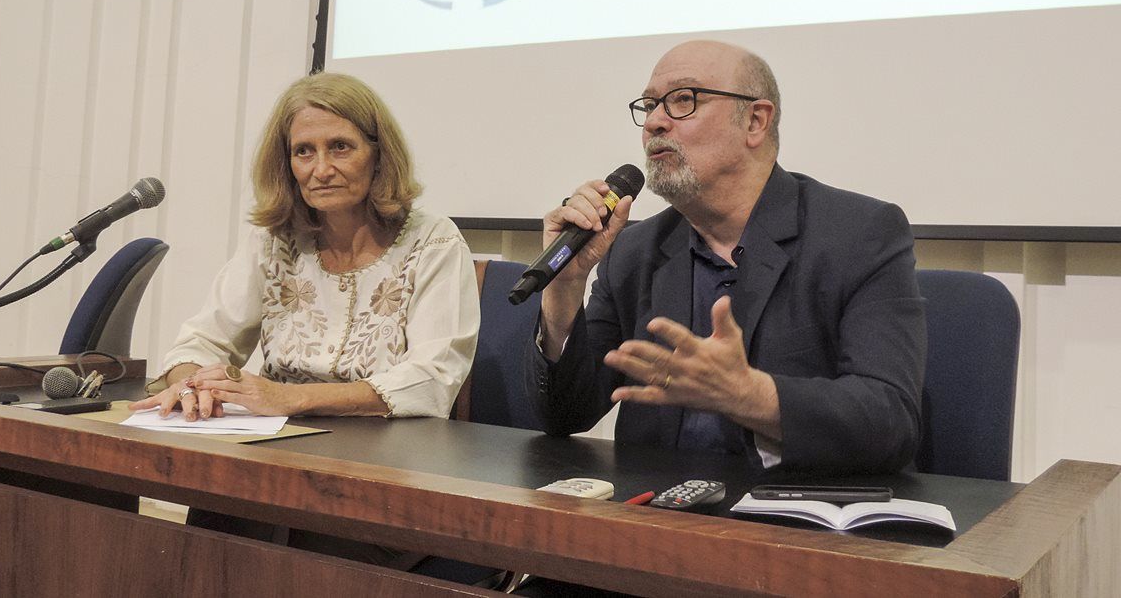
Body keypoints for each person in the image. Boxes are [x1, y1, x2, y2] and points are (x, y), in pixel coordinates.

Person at [525, 40, 925, 472]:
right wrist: (563, 289)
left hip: (794, 520)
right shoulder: (635, 251)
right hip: (656, 515)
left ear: (755, 120)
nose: (655, 122)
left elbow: (890, 421)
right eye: (649, 105)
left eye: (683, 100)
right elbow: (564, 416)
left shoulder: (859, 234)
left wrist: (748, 395)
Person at [131, 71, 479, 423]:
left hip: (390, 452)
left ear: (379, 154)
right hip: (277, 444)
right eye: (304, 152)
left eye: (340, 147)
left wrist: (287, 397)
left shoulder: (433, 239)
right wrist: (193, 384)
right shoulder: (272, 240)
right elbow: (202, 341)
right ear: (287, 164)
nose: (322, 169)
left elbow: (433, 380)